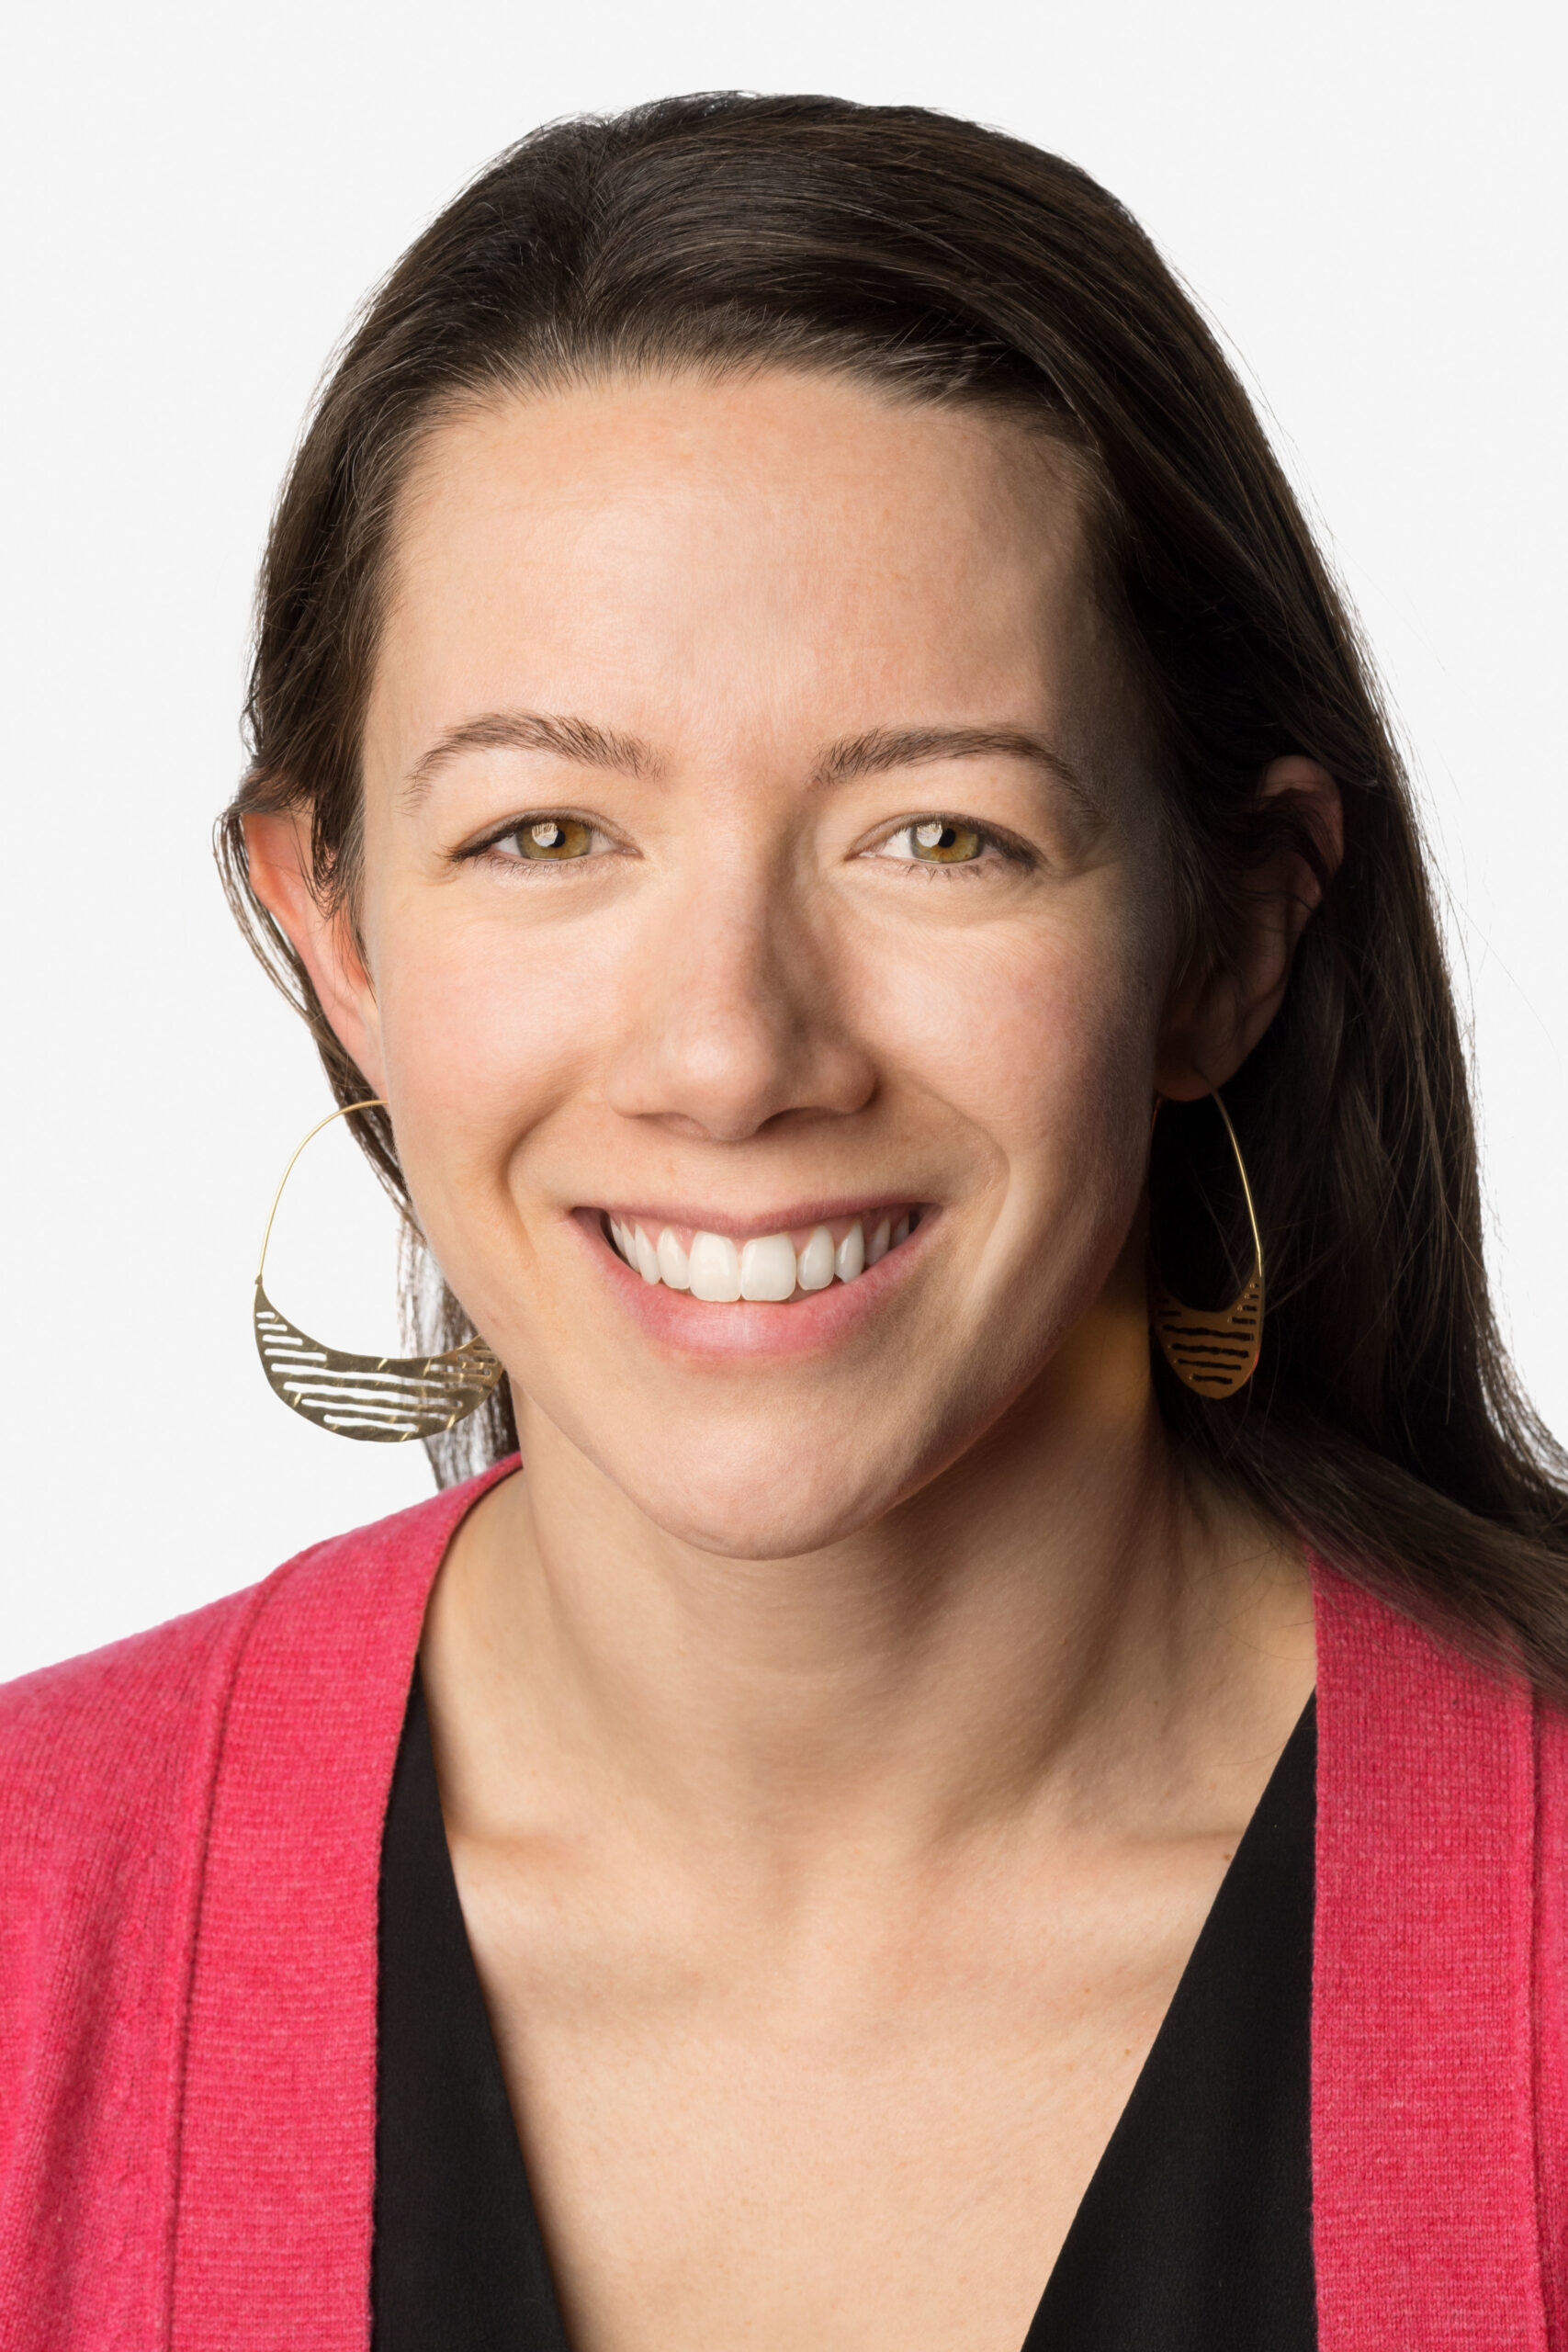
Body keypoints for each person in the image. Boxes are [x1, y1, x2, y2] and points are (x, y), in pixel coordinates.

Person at [4, 91, 1565, 2351]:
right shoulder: (42, 1924)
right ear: (330, 929)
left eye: (937, 836)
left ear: (1229, 931)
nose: (733, 1052)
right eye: (545, 833)